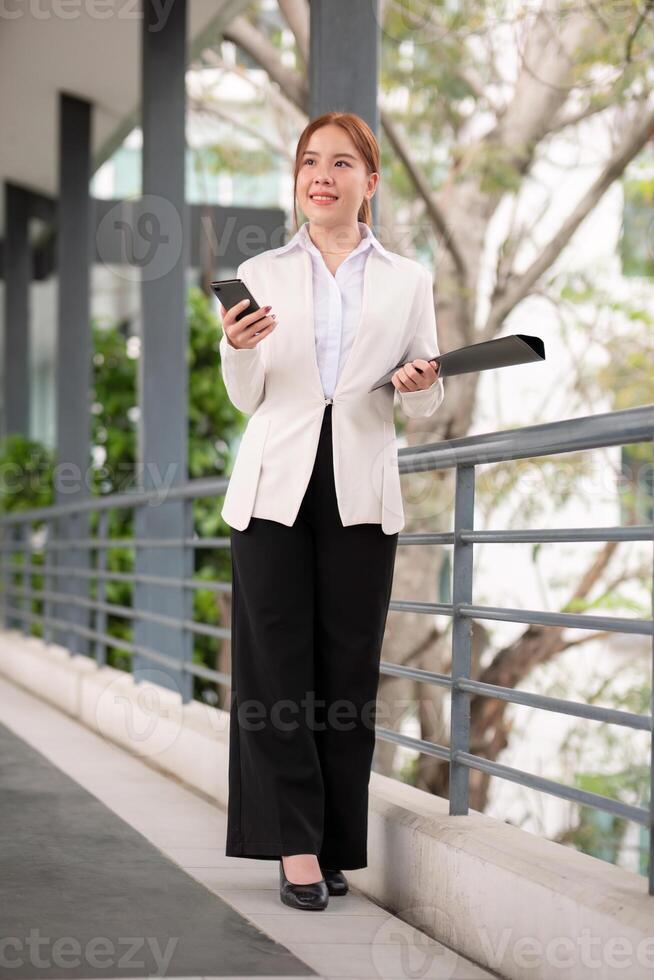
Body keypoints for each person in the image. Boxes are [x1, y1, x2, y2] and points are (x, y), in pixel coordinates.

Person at [218, 111, 444, 911]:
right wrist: (236, 346)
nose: (322, 174)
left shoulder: (408, 280)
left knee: (346, 674)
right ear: (299, 180)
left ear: (369, 183)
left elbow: (423, 396)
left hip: (359, 486)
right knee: (277, 668)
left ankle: (336, 837)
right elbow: (246, 396)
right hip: (274, 485)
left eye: (341, 163)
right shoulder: (262, 270)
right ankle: (296, 847)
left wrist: (422, 384)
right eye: (311, 162)